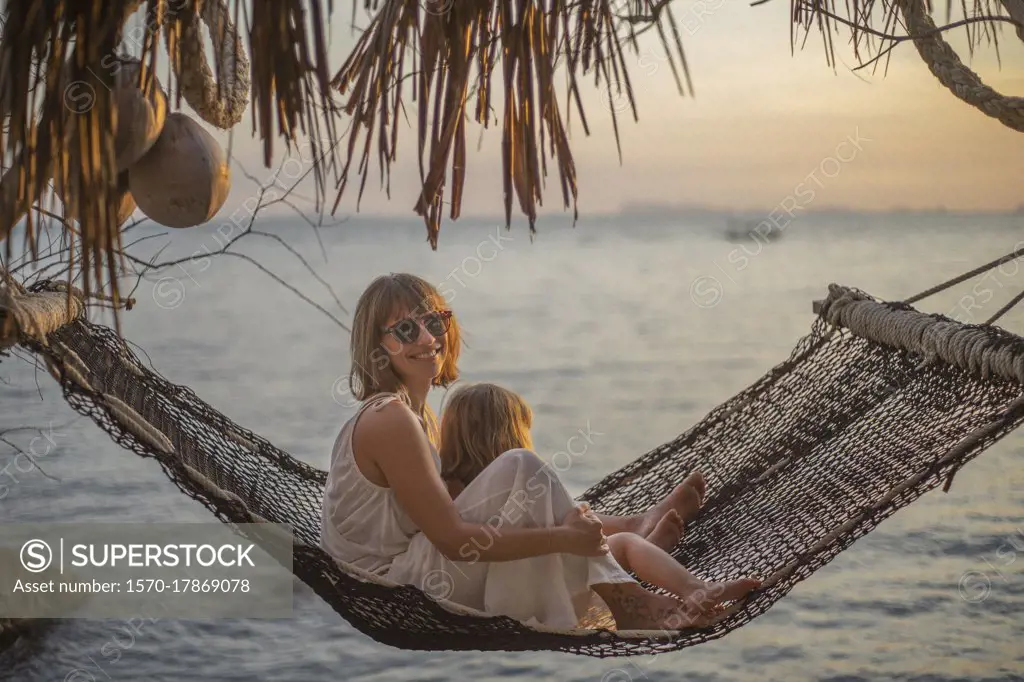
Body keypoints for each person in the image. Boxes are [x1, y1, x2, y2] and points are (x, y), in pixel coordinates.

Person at [320, 273, 730, 631]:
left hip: (411, 575)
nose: (427, 339)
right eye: (406, 331)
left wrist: (570, 534)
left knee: (522, 486)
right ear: (376, 346)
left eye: (433, 322)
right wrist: (564, 539)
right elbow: (456, 542)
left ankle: (645, 550)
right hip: (388, 592)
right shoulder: (389, 419)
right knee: (519, 465)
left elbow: (460, 512)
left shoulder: (418, 416)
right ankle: (633, 587)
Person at [438, 382, 762, 614]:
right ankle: (638, 530)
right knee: (572, 518)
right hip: (520, 588)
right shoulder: (460, 495)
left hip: (545, 575)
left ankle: (688, 582)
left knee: (622, 543)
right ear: (509, 436)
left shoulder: (458, 490)